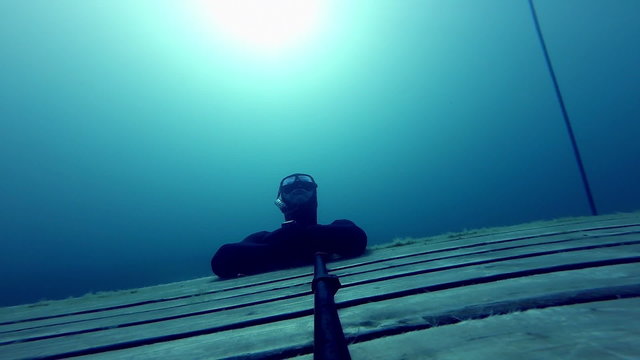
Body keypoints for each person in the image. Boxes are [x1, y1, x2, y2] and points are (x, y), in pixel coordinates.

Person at [211, 173, 367, 278]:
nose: (298, 187)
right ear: (280, 199)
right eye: (289, 187)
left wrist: (288, 241)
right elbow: (223, 260)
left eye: (306, 185)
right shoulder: (260, 237)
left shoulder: (341, 226)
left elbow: (357, 239)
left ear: (315, 194)